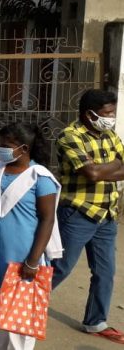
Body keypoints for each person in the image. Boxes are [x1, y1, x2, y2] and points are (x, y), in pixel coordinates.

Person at [0, 122, 61, 350]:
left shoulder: (40, 177)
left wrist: (33, 260)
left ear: (24, 149)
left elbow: (47, 220)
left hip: (23, 256)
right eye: (0, 144)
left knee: (20, 321)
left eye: (6, 145)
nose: (1, 149)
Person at [51, 89, 124, 345]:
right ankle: (24, 304)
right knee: (60, 267)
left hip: (107, 213)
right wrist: (113, 166)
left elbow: (103, 168)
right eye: (106, 114)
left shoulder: (110, 135)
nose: (110, 118)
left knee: (105, 271)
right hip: (77, 213)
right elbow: (90, 173)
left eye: (112, 113)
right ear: (89, 114)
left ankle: (95, 321)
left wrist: (104, 169)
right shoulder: (70, 136)